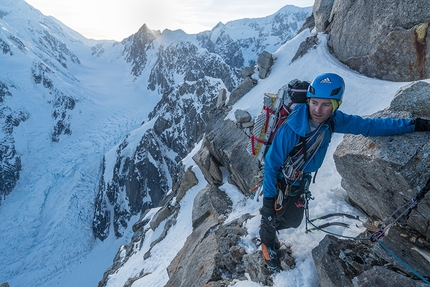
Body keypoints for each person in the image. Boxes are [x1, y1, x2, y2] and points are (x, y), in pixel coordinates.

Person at [259, 73, 430, 271]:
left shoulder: (333, 120)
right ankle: (267, 244)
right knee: (272, 217)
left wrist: (414, 125)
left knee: (292, 220)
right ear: (308, 100)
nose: (317, 110)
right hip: (281, 179)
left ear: (335, 105)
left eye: (325, 104)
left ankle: (270, 229)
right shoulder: (291, 128)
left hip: (299, 179)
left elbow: (369, 126)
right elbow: (271, 167)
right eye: (314, 103)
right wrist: (268, 205)